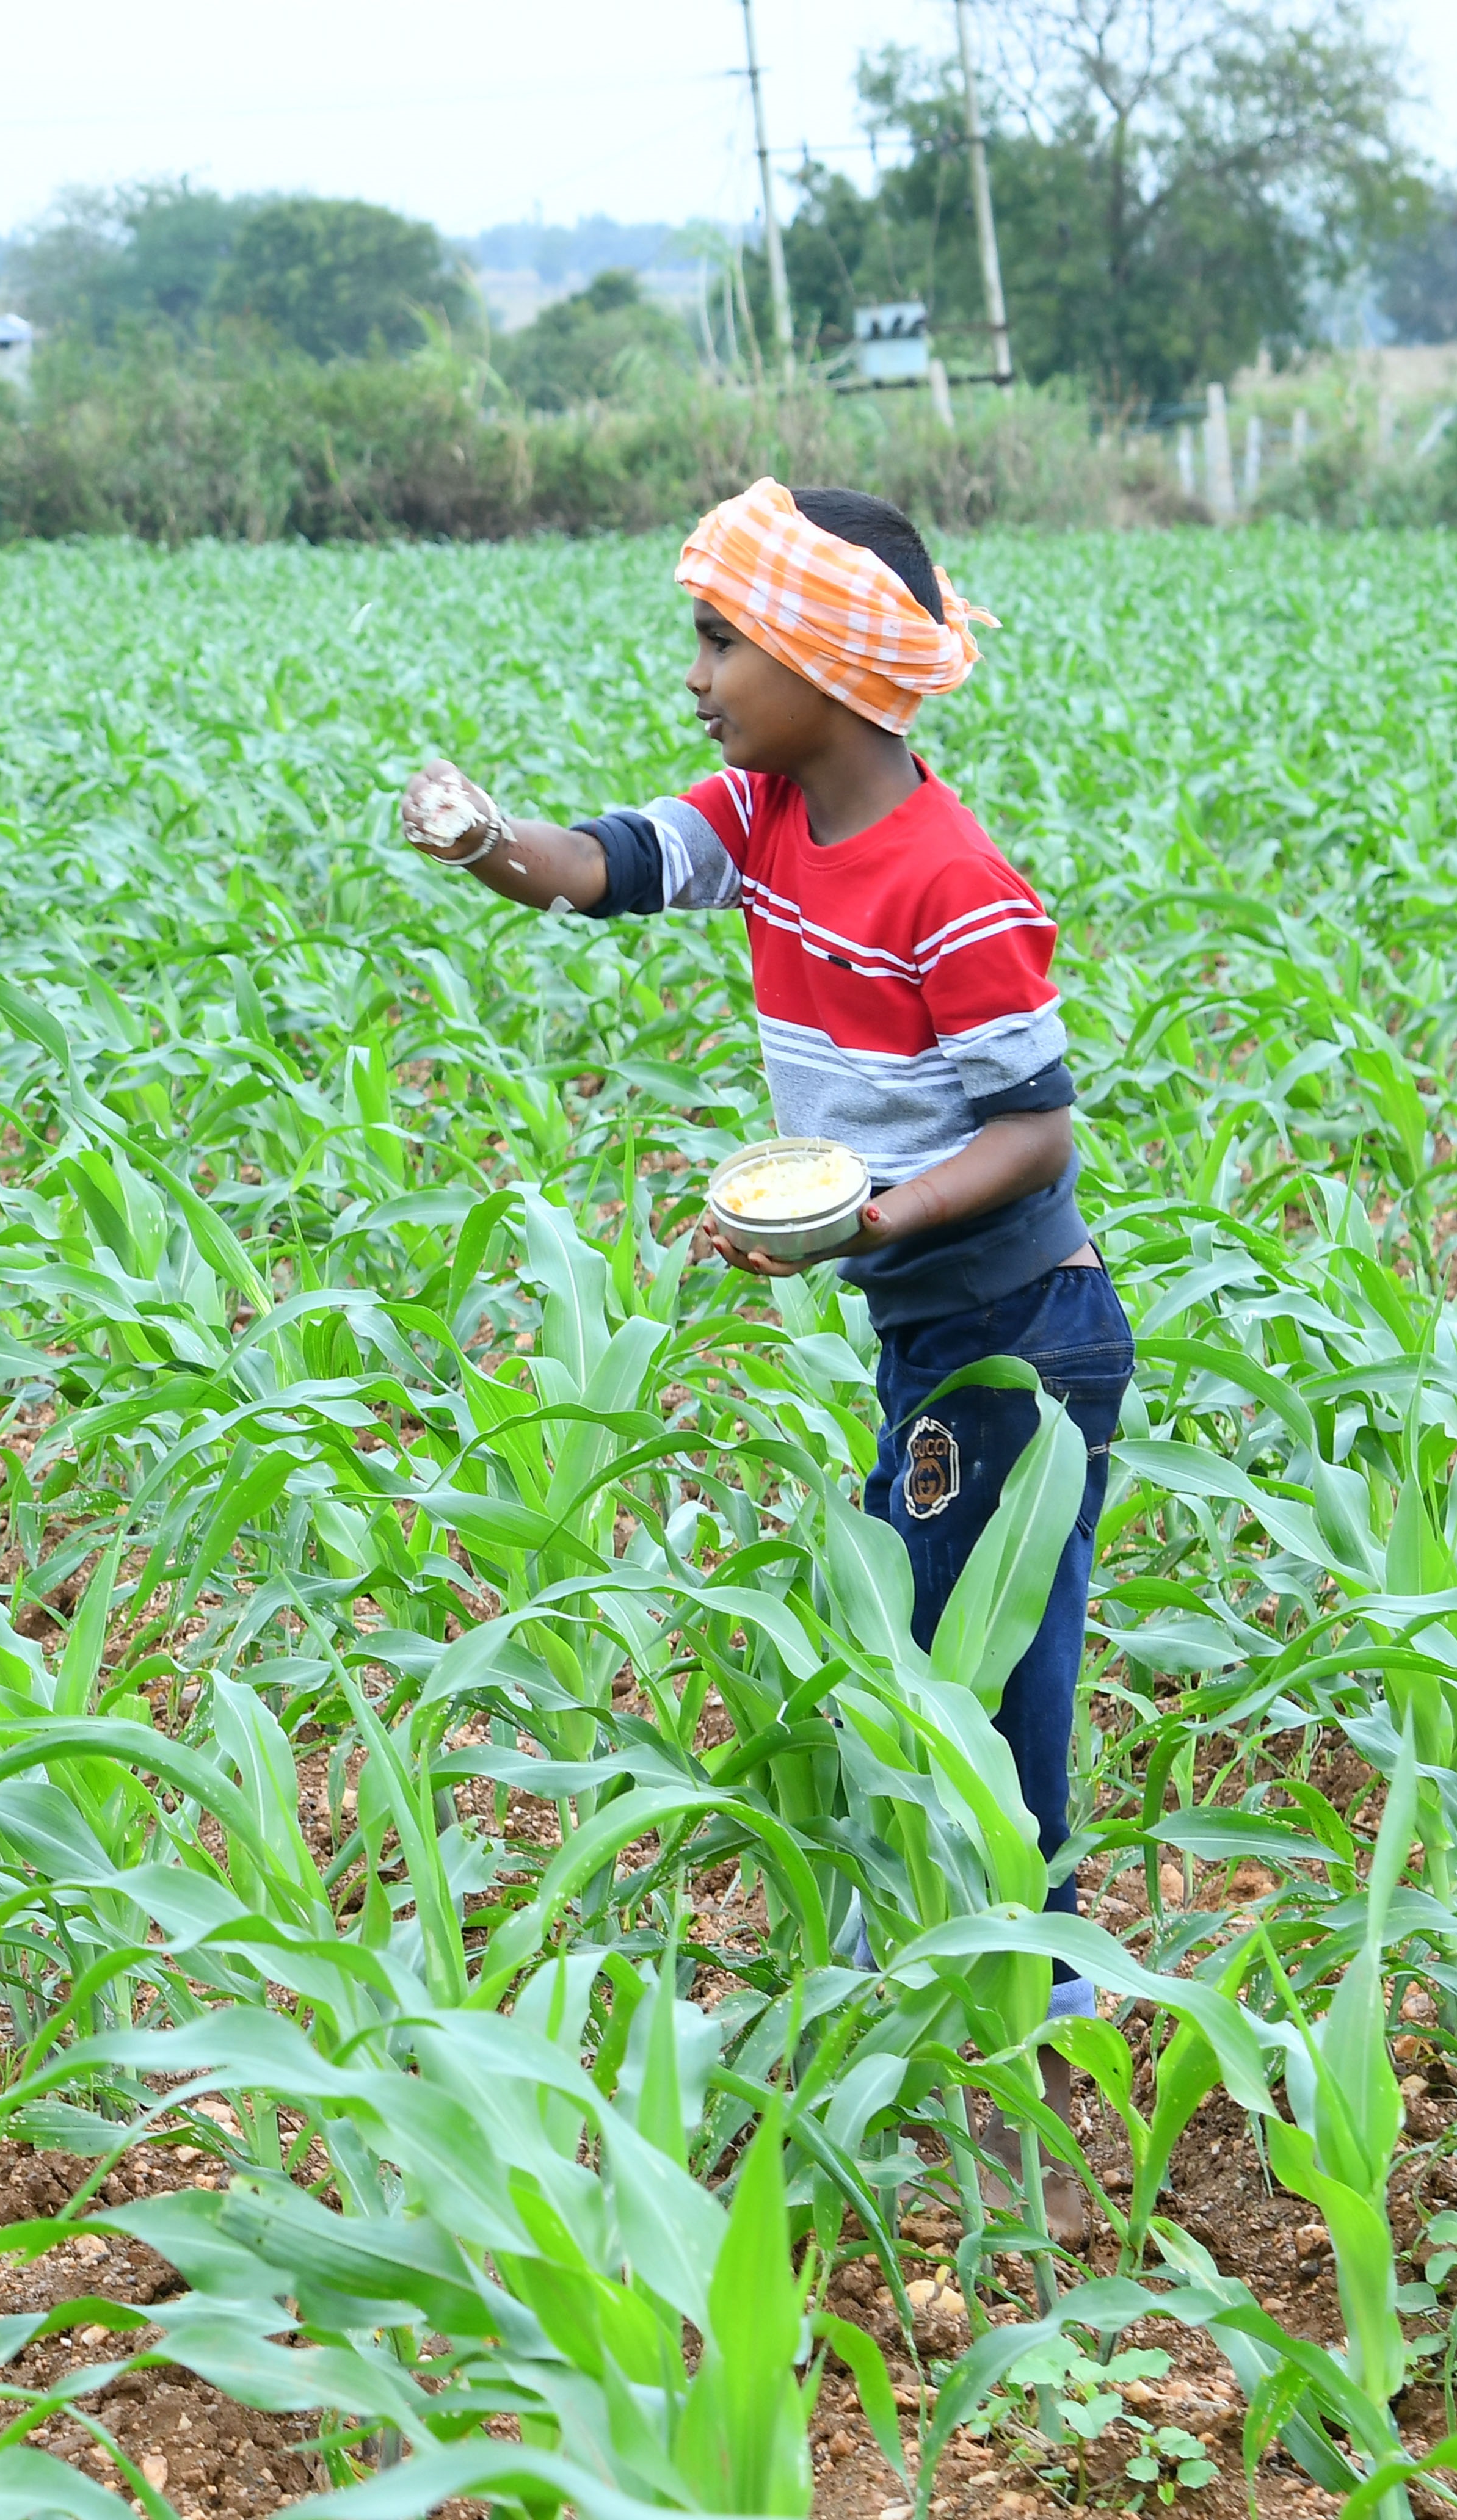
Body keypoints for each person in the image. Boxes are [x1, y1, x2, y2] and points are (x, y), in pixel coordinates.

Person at [399, 477, 1133, 2047]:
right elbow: (600, 868)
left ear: (825, 661)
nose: (696, 675)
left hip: (1021, 1333)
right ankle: (973, 1924)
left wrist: (860, 1223)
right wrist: (482, 845)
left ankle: (1038, 1962)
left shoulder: (955, 886)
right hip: (941, 1320)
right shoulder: (759, 820)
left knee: (988, 1650)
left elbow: (1036, 1136)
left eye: (721, 641)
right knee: (934, 1625)